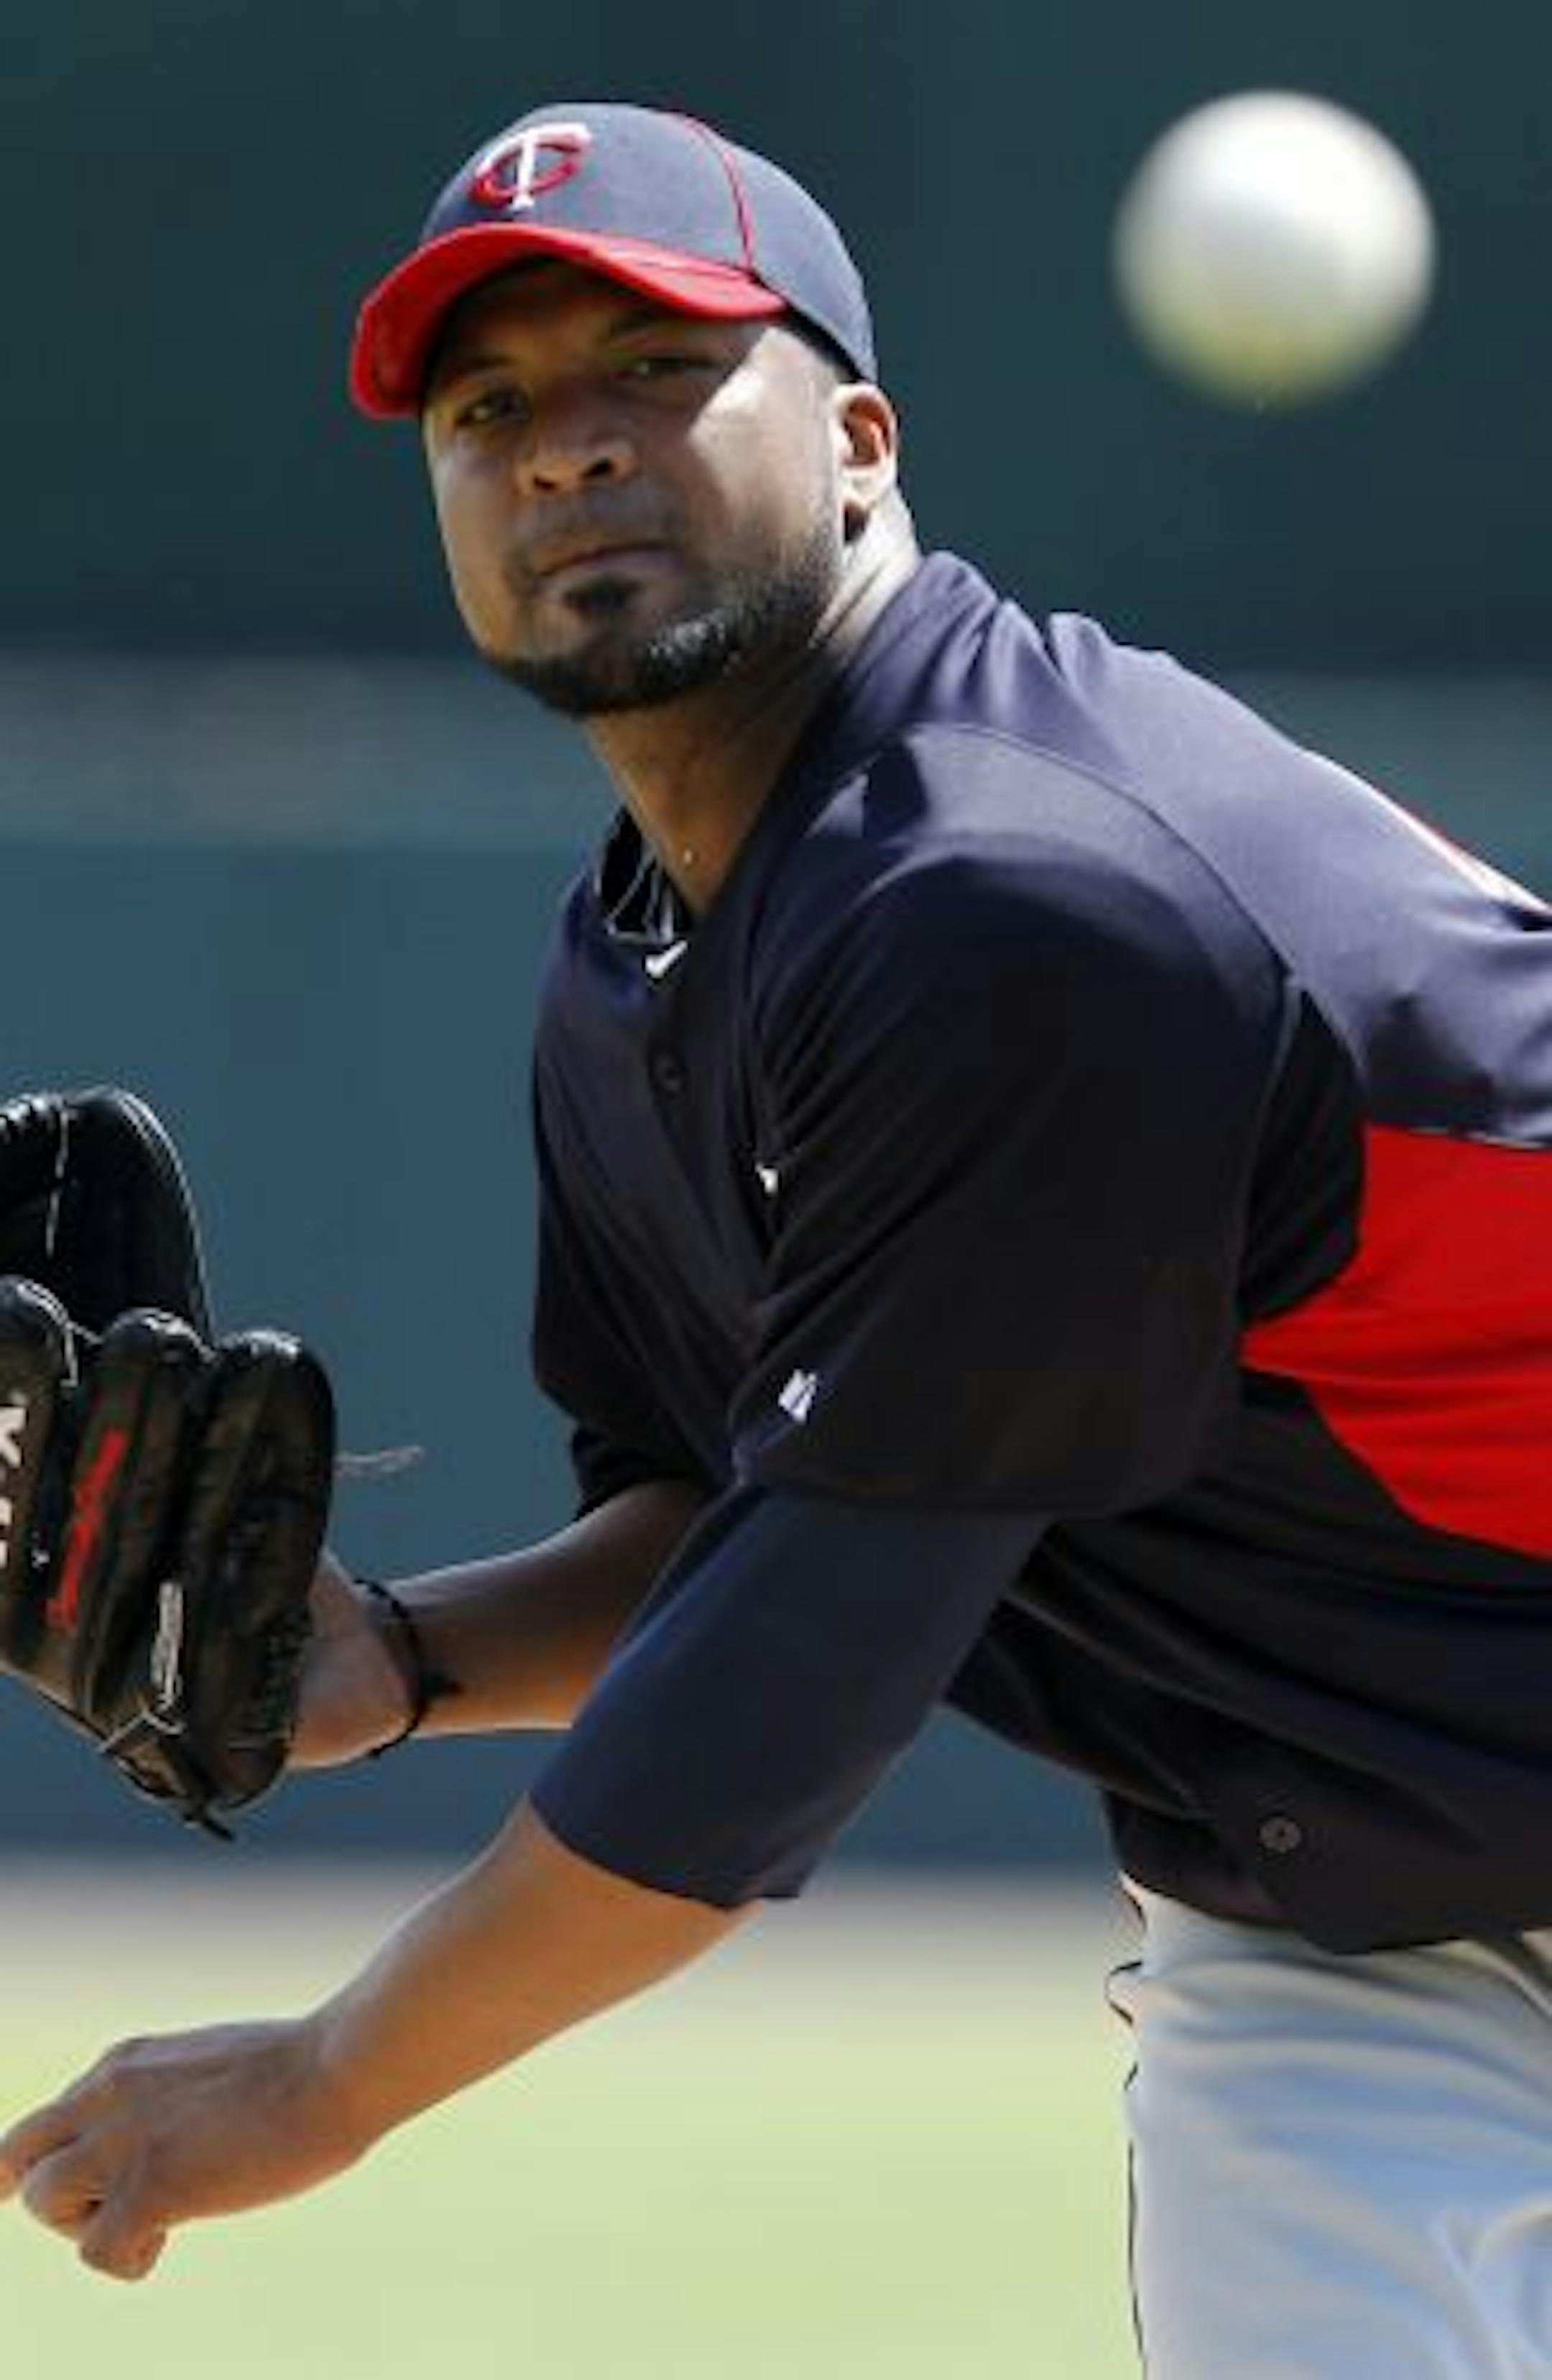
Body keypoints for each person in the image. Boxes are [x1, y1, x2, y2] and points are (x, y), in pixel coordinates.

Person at [3, 96, 1551, 2371]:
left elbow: (794, 1668)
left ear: (856, 436)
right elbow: (732, 1522)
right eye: (490, 405)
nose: (563, 450)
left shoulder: (1016, 900)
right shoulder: (648, 948)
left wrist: (330, 2076)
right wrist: (393, 1665)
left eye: (655, 367)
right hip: (1356, 1916)